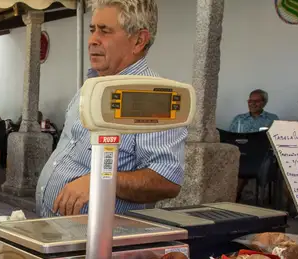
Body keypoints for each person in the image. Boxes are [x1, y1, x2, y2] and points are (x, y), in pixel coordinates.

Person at [36, 0, 186, 217]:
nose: (92, 40)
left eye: (104, 31)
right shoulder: (94, 83)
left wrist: (101, 180)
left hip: (102, 242)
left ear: (138, 40)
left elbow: (166, 180)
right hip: (60, 232)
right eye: (92, 30)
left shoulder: (153, 96)